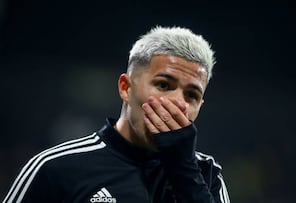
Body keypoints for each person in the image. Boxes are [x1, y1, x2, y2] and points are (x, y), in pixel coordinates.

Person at [3, 26, 230, 203]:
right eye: (163, 85)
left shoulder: (206, 176)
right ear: (126, 87)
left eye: (191, 95)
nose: (178, 103)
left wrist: (183, 170)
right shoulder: (55, 168)